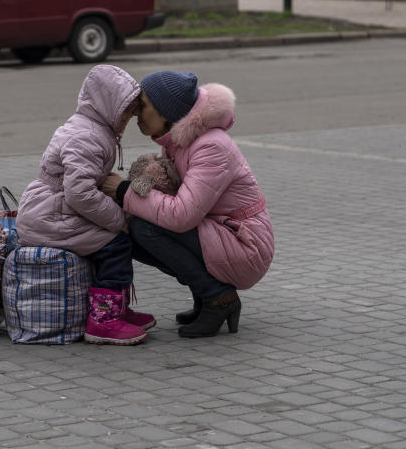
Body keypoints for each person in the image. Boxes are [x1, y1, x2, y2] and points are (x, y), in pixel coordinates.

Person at [102, 70, 275, 338]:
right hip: (223, 232)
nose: (137, 113)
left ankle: (218, 298)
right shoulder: (180, 142)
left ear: (166, 111)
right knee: (131, 232)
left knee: (144, 229)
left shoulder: (211, 147)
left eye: (144, 105)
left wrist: (124, 191)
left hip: (246, 244)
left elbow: (182, 215)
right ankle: (205, 293)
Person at [16, 64, 155, 345]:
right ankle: (104, 321)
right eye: (125, 112)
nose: (128, 119)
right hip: (50, 215)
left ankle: (117, 308)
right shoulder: (88, 137)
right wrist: (119, 219)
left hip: (53, 210)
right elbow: (79, 193)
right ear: (108, 107)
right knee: (115, 243)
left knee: (112, 241)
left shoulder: (91, 127)